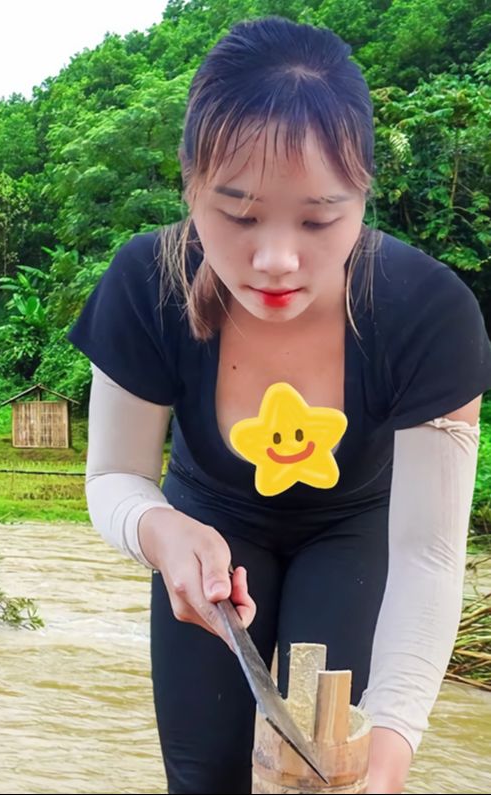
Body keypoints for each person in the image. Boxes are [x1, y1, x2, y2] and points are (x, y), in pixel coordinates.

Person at [67, 16, 491, 795]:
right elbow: (113, 478)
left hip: (357, 534)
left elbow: (429, 555)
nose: (276, 259)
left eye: (319, 218)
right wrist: (160, 531)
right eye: (238, 213)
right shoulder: (146, 284)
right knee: (205, 778)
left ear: (362, 193)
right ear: (191, 185)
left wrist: (388, 754)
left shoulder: (428, 314)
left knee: (326, 773)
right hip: (206, 529)